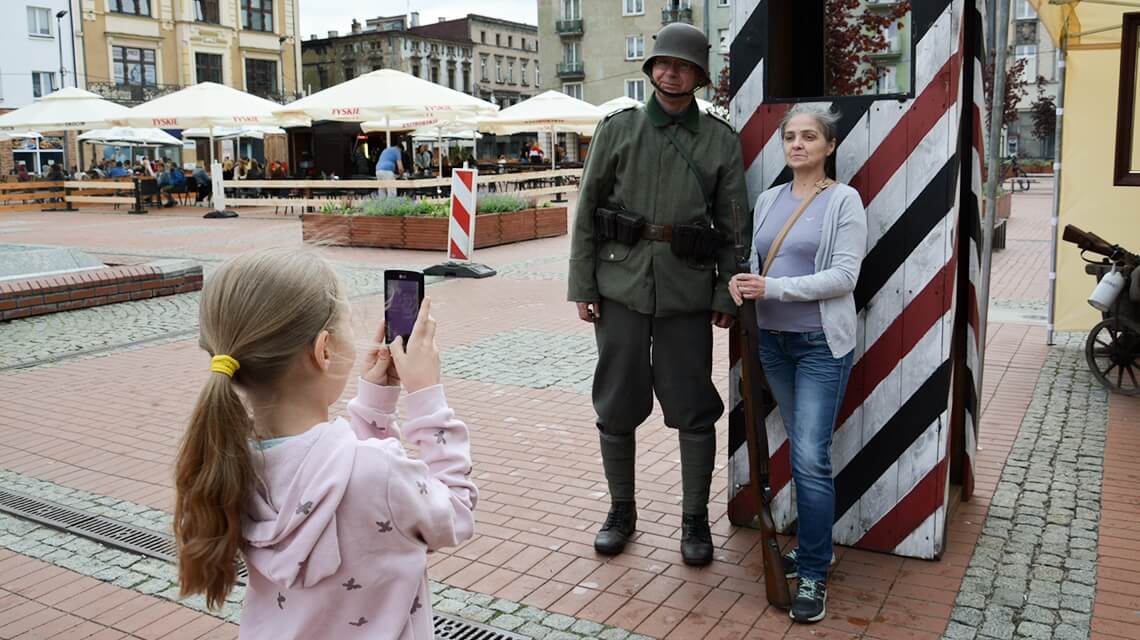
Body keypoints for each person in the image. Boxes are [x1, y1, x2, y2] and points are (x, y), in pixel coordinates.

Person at [173, 248, 476, 639]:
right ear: (324, 350)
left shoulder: (227, 459)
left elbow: (347, 483)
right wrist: (427, 396)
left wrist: (375, 405)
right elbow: (454, 513)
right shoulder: (375, 472)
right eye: (348, 322)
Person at [567, 22, 748, 567]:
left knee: (693, 406)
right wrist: (583, 285)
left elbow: (735, 224)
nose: (671, 72)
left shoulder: (719, 139)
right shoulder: (617, 128)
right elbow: (587, 210)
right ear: (651, 70)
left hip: (686, 291)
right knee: (617, 402)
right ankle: (621, 510)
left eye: (684, 65)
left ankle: (695, 518)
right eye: (663, 63)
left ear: (698, 75)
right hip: (619, 285)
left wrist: (725, 293)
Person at [728, 104, 867, 624]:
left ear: (829, 147)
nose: (798, 145)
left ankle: (812, 570)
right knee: (801, 448)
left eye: (810, 137)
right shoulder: (767, 200)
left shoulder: (844, 201)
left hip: (818, 347)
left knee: (810, 457)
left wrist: (774, 288)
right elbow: (755, 262)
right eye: (790, 137)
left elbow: (844, 277)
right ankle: (817, 549)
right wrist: (741, 283)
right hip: (772, 345)